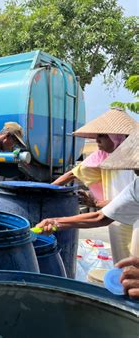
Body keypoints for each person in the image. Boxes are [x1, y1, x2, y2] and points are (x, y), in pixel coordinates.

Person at [36, 127, 139, 298]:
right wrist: (55, 222)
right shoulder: (137, 186)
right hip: (124, 220)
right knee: (128, 272)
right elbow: (101, 216)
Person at [51, 108, 137, 262]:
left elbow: (116, 209)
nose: (97, 140)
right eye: (97, 136)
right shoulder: (102, 156)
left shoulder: (133, 163)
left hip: (131, 217)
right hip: (113, 215)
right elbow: (73, 174)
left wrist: (99, 203)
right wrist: (48, 190)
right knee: (122, 261)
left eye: (103, 136)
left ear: (116, 137)